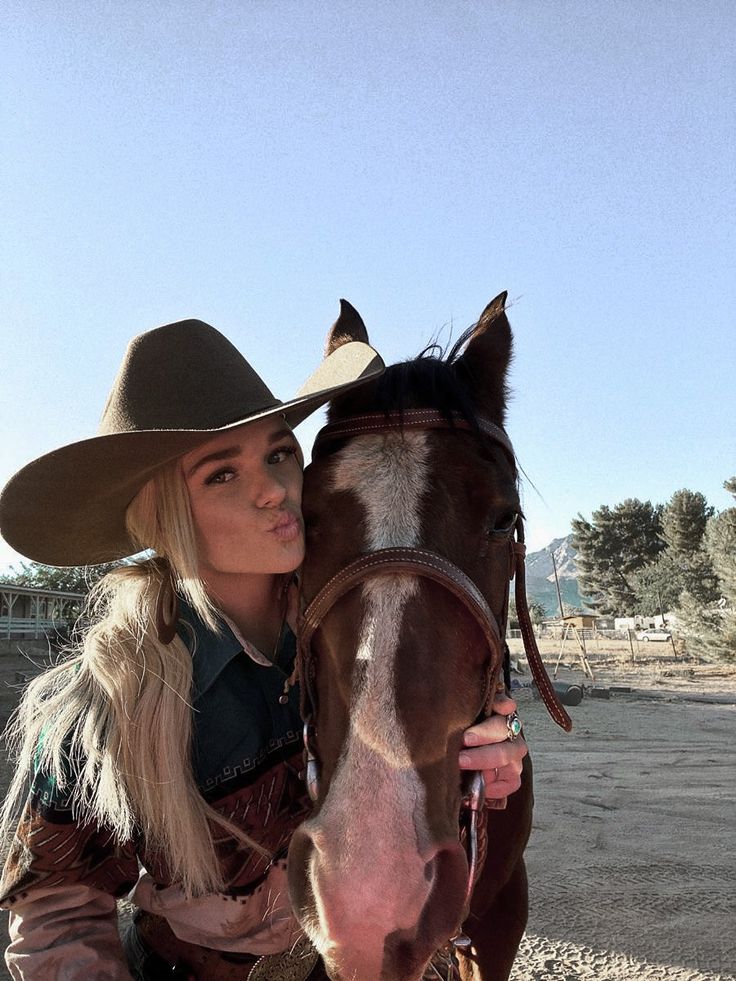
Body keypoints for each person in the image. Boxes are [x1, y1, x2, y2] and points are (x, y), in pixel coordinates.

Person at [0, 316, 528, 980]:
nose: (274, 488)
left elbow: (415, 784)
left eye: (280, 453)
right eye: (223, 473)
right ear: (165, 513)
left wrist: (482, 768)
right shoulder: (101, 705)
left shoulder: (362, 628)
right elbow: (56, 917)